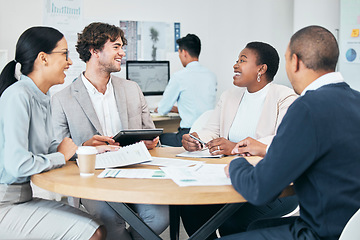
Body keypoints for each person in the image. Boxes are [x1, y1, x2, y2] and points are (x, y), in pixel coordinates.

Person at [221, 25, 360, 240]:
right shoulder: (356, 99)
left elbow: (260, 189)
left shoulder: (307, 107)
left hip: (320, 233)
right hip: (350, 228)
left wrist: (235, 164)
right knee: (255, 227)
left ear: (295, 61)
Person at [51, 22, 168, 240]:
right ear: (94, 51)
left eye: (122, 46)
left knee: (159, 218)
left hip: (135, 170)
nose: (122, 52)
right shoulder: (62, 99)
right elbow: (57, 149)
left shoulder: (132, 89)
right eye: (116, 47)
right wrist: (85, 148)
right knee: (111, 224)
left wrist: (151, 142)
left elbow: (151, 134)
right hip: (93, 176)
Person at [180, 42, 299, 239]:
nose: (235, 65)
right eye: (236, 60)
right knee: (192, 209)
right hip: (230, 180)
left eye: (242, 61)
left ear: (261, 68)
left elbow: (282, 142)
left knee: (232, 223)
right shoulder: (229, 96)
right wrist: (196, 139)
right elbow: (212, 130)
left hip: (274, 185)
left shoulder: (284, 97)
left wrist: (234, 147)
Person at [0, 26, 105, 239]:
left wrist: (82, 149)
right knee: (94, 233)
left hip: (22, 198)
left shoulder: (42, 97)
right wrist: (60, 156)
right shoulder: (18, 96)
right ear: (43, 58)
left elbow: (48, 149)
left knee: (98, 227)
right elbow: (17, 165)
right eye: (64, 54)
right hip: (5, 203)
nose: (70, 62)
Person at [155, 33, 217, 147]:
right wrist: (179, 109)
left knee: (157, 138)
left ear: (184, 52)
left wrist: (160, 109)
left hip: (189, 136)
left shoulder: (179, 76)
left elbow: (162, 110)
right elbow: (201, 106)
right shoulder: (211, 76)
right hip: (209, 135)